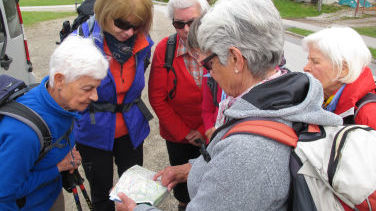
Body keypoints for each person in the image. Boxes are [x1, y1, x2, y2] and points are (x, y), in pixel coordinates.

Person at [115, 0, 343, 210]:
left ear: (235, 59)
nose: (209, 73)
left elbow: (241, 169)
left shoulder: (248, 152)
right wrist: (191, 169)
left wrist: (137, 209)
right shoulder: (286, 97)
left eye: (209, 63)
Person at [0, 35, 108, 210]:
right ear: (59, 80)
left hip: (49, 196)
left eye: (96, 87)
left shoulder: (61, 103)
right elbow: (4, 192)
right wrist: (58, 167)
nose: (95, 96)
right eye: (88, 88)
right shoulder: (23, 133)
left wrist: (66, 150)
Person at [72, 0, 154, 210]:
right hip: (93, 132)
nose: (129, 32)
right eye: (121, 24)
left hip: (131, 128)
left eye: (136, 26)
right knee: (102, 196)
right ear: (104, 14)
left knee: (134, 192)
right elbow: (64, 96)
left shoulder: (143, 43)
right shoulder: (80, 42)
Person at [148, 0, 209, 209]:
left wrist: (204, 131)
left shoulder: (218, 46)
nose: (186, 29)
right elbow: (157, 98)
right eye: (178, 24)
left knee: (212, 182)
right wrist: (185, 133)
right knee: (183, 190)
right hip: (178, 136)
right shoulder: (165, 50)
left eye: (193, 22)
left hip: (213, 132)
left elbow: (227, 96)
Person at [302, 26, 376, 129]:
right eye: (308, 60)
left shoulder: (369, 115)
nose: (306, 68)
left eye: (315, 62)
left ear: (343, 69)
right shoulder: (322, 97)